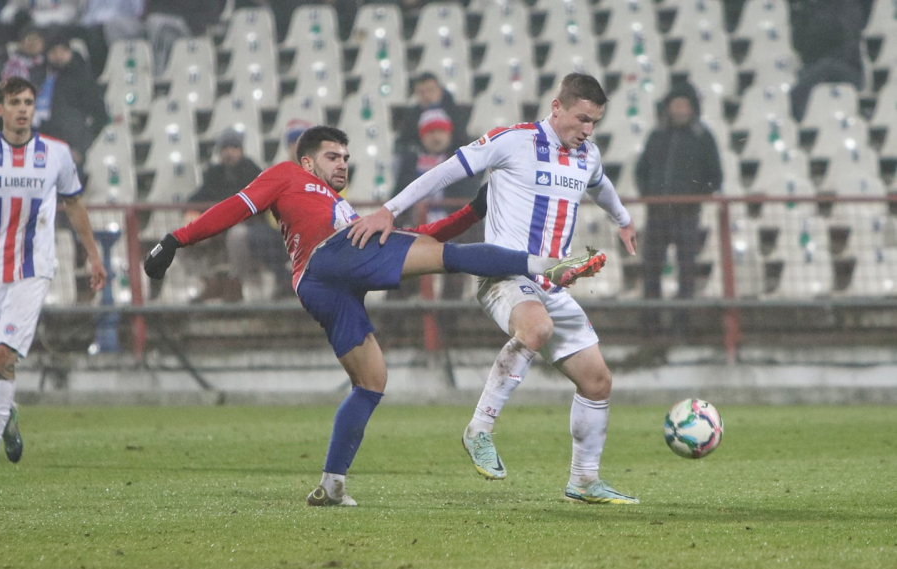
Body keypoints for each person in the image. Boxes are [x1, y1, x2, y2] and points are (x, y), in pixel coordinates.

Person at [143, 125, 605, 506]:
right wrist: (176, 240)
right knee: (452, 257)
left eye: (345, 156)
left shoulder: (344, 210)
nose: (341, 163)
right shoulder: (287, 175)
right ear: (307, 162)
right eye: (331, 156)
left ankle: (332, 483)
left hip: (322, 285)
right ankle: (547, 265)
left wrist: (471, 210)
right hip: (330, 259)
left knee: (372, 382)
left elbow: (416, 238)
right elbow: (235, 207)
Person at [348, 73, 640, 505]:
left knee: (597, 382)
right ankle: (478, 429)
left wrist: (623, 220)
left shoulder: (588, 156)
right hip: (504, 276)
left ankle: (583, 480)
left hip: (550, 282)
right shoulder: (512, 141)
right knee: (535, 328)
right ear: (557, 107)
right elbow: (445, 173)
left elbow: (601, 185)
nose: (587, 130)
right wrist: (389, 210)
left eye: (594, 122)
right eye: (581, 119)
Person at [0, 77, 107, 463]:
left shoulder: (56, 154)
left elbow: (74, 205)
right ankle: (7, 415)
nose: (23, 108)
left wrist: (93, 255)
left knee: (3, 355)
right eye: (15, 102)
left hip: (32, 269)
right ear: (0, 109)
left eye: (28, 101)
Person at [635, 81, 722, 338]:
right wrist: (649, 195)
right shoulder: (657, 136)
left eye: (685, 105)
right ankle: (650, 325)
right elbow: (642, 170)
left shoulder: (703, 137)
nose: (680, 110)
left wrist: (694, 198)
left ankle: (681, 326)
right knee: (651, 268)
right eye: (676, 105)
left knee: (686, 270)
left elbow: (714, 176)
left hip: (687, 215)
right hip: (657, 214)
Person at [390, 108, 482, 314]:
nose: (436, 136)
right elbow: (397, 198)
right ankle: (394, 327)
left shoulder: (462, 161)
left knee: (455, 275)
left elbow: (468, 198)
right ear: (422, 135)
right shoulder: (409, 163)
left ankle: (447, 326)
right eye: (431, 132)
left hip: (454, 231)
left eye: (441, 131)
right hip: (415, 230)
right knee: (398, 273)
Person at [183, 127, 263, 302]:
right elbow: (197, 198)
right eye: (225, 148)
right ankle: (213, 284)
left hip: (246, 225)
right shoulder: (214, 173)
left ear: (240, 150)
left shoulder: (252, 171)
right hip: (217, 226)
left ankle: (235, 284)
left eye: (234, 148)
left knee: (237, 235)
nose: (229, 153)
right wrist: (191, 213)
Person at [37, 27, 108, 167]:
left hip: (74, 150)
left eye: (63, 50)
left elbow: (100, 118)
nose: (58, 55)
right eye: (53, 51)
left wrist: (80, 149)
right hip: (42, 149)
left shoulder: (83, 80)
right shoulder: (40, 80)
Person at [396, 71, 469, 154]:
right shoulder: (412, 115)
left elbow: (463, 140)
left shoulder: (455, 113)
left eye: (430, 90)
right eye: (421, 92)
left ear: (439, 90)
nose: (426, 96)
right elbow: (403, 141)